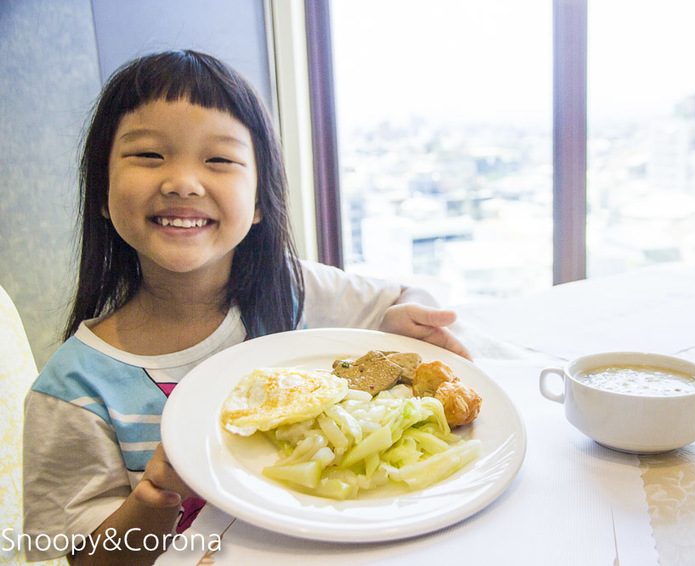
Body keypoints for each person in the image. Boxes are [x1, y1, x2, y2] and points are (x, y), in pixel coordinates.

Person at [22, 49, 469, 566]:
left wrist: (399, 322)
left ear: (259, 200)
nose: (183, 182)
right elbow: (82, 558)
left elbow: (403, 297)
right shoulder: (74, 389)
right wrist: (157, 494)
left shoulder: (293, 290)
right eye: (148, 155)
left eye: (218, 160)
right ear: (101, 192)